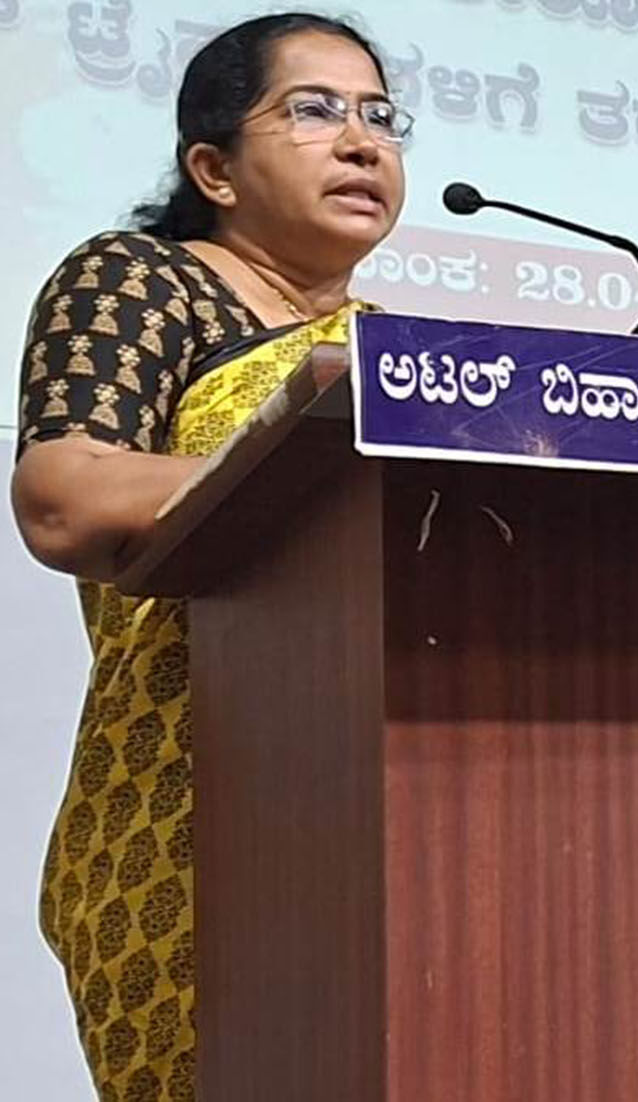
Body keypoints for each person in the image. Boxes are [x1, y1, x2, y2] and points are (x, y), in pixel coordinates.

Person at [11, 14, 408, 1100]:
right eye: (315, 110)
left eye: (381, 117)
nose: (363, 142)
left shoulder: (400, 347)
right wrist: (306, 469)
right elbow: (65, 494)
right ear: (213, 169)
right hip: (188, 810)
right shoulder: (142, 280)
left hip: (384, 810)